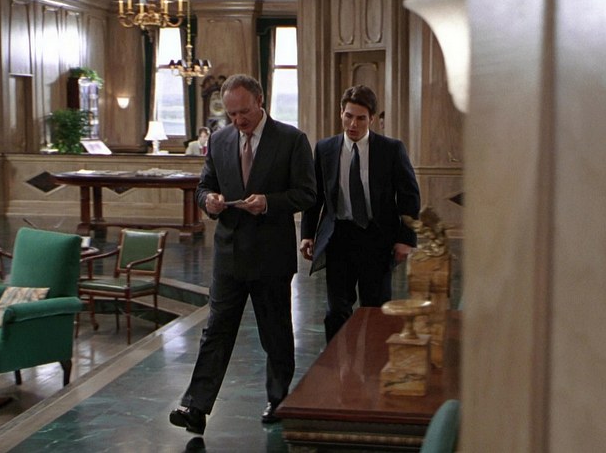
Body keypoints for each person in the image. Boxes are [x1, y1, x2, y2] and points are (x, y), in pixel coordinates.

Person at [169, 74, 316, 434]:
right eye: (232, 114)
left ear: (260, 101)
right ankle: (195, 407)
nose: (238, 120)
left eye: (244, 112)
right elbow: (203, 187)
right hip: (229, 254)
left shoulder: (291, 140)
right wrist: (209, 201)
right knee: (216, 331)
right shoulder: (219, 140)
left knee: (275, 334)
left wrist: (268, 202)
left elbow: (307, 194)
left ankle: (277, 400)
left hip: (271, 256)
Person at [300, 85, 421, 343]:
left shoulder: (390, 149)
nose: (353, 124)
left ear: (372, 119)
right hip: (339, 237)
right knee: (336, 311)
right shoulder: (325, 149)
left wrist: (406, 239)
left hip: (377, 238)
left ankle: (374, 362)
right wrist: (307, 234)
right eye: (348, 116)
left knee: (376, 309)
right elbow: (315, 196)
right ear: (341, 113)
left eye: (360, 118)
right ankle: (336, 362)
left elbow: (409, 196)